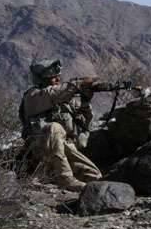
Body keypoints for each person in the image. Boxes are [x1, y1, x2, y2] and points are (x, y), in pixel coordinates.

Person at [19, 59, 102, 191]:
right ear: (42, 80)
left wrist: (86, 101)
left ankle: (55, 175)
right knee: (54, 128)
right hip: (40, 153)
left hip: (64, 149)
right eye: (53, 78)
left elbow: (85, 125)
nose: (58, 80)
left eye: (58, 76)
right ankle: (64, 179)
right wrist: (79, 83)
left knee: (94, 176)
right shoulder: (33, 96)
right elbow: (54, 94)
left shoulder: (64, 101)